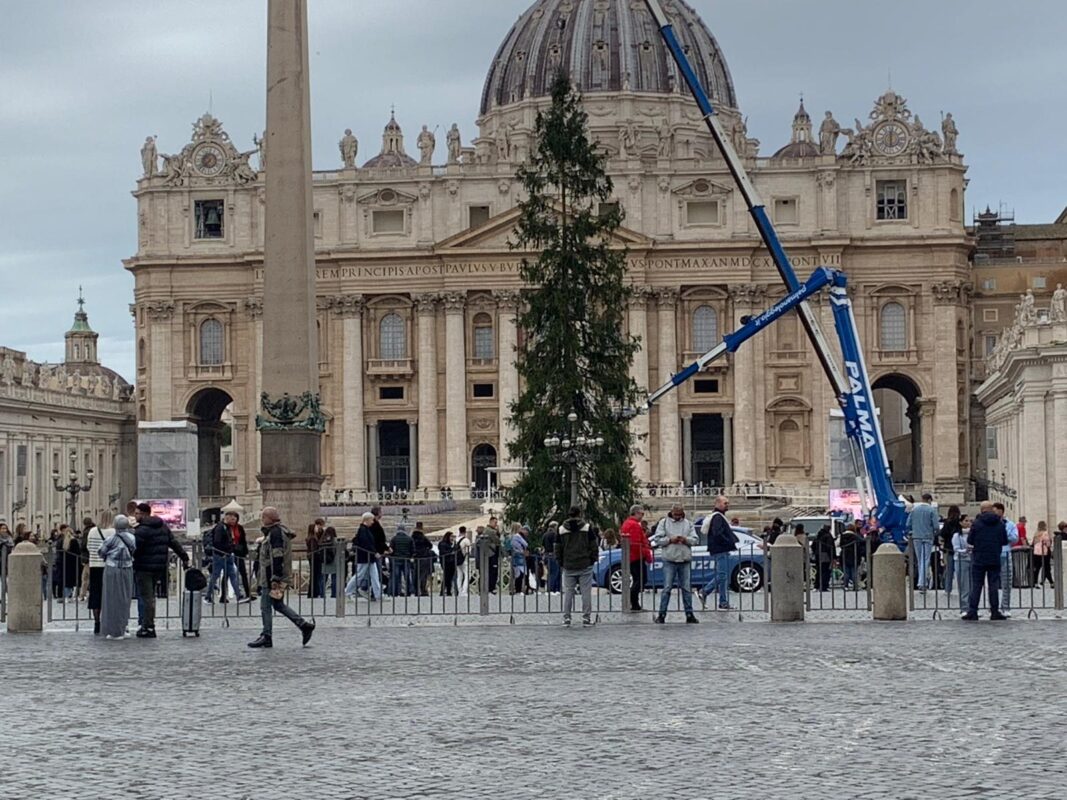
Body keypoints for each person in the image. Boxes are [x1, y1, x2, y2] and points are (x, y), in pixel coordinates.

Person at [248, 507, 315, 648]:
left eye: (263, 517)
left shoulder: (276, 533)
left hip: (272, 577)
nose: (262, 519)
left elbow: (277, 555)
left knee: (265, 606)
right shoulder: (276, 532)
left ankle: (267, 636)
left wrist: (275, 577)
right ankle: (303, 625)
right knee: (278, 604)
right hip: (274, 576)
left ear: (269, 518)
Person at [132, 502, 190, 638]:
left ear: (144, 514)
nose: (135, 516)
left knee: (147, 597)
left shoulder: (141, 530)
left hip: (144, 567)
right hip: (159, 567)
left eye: (137, 513)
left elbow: (134, 548)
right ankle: (148, 624)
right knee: (151, 597)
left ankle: (148, 626)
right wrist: (184, 557)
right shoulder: (163, 527)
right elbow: (174, 543)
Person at [652, 503, 699, 624]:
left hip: (684, 559)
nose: (677, 516)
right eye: (675, 514)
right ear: (671, 512)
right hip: (669, 559)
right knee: (667, 588)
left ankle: (689, 614)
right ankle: (661, 614)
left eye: (679, 514)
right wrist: (669, 540)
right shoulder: (663, 523)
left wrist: (686, 539)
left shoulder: (688, 523)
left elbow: (695, 540)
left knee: (686, 589)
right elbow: (657, 539)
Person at [963, 501, 1008, 621]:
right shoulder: (999, 523)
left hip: (979, 558)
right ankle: (994, 611)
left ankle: (973, 611)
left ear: (981, 509)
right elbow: (1004, 540)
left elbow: (970, 540)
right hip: (994, 557)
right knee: (993, 585)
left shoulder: (977, 523)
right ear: (992, 509)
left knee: (977, 585)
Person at [555, 506, 600, 627]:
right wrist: (592, 559)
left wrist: (560, 562)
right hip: (585, 563)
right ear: (579, 514)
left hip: (568, 564)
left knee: (568, 592)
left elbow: (557, 548)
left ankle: (567, 618)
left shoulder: (561, 529)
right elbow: (593, 545)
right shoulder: (586, 527)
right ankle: (586, 618)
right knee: (586, 592)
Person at [98, 515, 137, 640]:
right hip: (127, 568)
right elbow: (133, 550)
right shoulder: (132, 537)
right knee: (125, 599)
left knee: (110, 599)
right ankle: (123, 626)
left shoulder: (111, 539)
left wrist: (108, 556)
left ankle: (111, 629)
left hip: (112, 568)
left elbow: (101, 551)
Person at [698, 496, 736, 610]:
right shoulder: (718, 518)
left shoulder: (718, 516)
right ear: (718, 504)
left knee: (723, 577)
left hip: (720, 549)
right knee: (722, 575)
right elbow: (717, 533)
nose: (727, 505)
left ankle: (723, 602)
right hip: (720, 549)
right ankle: (704, 591)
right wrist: (728, 541)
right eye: (725, 503)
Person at [205, 511, 244, 604]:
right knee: (215, 576)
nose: (234, 521)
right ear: (227, 517)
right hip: (220, 555)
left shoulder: (226, 527)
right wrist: (226, 550)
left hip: (227, 555)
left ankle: (239, 596)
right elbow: (217, 542)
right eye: (232, 519)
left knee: (232, 575)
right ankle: (208, 596)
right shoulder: (220, 527)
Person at [619, 505, 653, 611]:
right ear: (636, 513)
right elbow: (636, 543)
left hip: (631, 556)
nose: (642, 516)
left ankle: (634, 603)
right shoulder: (634, 525)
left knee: (638, 579)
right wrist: (646, 554)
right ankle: (633, 601)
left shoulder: (627, 523)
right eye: (641, 513)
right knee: (641, 579)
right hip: (636, 556)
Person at [906, 492, 939, 591]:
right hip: (928, 537)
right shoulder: (931, 510)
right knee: (925, 559)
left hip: (916, 537)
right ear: (929, 500)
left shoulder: (914, 510)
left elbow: (908, 523)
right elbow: (936, 526)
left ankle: (921, 582)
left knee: (920, 559)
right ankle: (922, 583)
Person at [345, 513, 381, 600]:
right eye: (372, 520)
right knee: (359, 575)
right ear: (367, 520)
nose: (372, 522)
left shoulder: (365, 529)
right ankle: (347, 592)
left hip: (369, 557)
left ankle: (378, 595)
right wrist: (374, 552)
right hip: (365, 557)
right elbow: (366, 543)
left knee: (375, 576)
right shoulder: (363, 530)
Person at [992, 502, 1019, 616]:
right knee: (992, 583)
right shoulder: (990, 524)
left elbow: (1015, 538)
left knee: (1006, 582)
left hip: (1006, 553)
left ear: (1002, 512)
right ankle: (993, 606)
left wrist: (1003, 536)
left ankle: (1006, 606)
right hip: (993, 555)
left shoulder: (1010, 524)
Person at [85, 513, 110, 634]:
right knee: (109, 594)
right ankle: (108, 621)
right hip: (108, 565)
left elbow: (89, 547)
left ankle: (96, 622)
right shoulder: (113, 532)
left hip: (94, 565)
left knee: (95, 594)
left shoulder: (93, 531)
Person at [937, 506, 963, 596]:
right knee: (961, 571)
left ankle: (948, 590)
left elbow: (942, 534)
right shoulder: (960, 523)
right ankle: (962, 589)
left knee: (949, 571)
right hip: (960, 549)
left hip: (949, 549)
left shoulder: (947, 523)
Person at [231, 512, 254, 600]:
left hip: (239, 553)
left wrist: (245, 552)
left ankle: (248, 593)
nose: (233, 520)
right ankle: (223, 595)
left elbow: (243, 540)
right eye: (232, 518)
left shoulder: (240, 528)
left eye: (235, 518)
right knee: (227, 574)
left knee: (243, 573)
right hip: (230, 553)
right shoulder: (227, 528)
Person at [952, 518, 972, 615]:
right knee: (964, 585)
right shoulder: (957, 535)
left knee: (972, 585)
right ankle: (964, 607)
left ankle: (972, 607)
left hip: (972, 559)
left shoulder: (973, 534)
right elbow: (956, 548)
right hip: (961, 560)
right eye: (966, 520)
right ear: (960, 522)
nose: (968, 523)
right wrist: (964, 551)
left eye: (970, 521)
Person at [388, 523, 415, 597]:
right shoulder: (409, 539)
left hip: (396, 560)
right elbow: (413, 550)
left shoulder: (394, 539)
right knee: (407, 576)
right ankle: (409, 591)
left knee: (396, 576)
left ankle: (396, 592)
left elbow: (391, 550)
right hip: (406, 559)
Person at [412, 526, 435, 596]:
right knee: (423, 575)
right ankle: (423, 590)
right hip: (424, 558)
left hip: (415, 558)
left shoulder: (412, 538)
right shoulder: (423, 537)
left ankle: (416, 590)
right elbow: (430, 545)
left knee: (415, 575)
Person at [813, 524, 836, 592]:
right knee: (826, 571)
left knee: (819, 570)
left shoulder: (818, 535)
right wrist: (833, 556)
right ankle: (824, 586)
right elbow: (830, 547)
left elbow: (813, 545)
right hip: (826, 555)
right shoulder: (828, 536)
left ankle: (817, 585)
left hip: (818, 554)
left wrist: (816, 552)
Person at [306, 519, 325, 599]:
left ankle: (313, 592)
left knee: (314, 575)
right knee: (315, 575)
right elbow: (314, 549)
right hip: (314, 558)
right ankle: (313, 593)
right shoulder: (313, 538)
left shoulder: (312, 537)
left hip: (312, 557)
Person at [1031, 521, 1054, 587]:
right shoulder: (1045, 533)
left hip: (1036, 553)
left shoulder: (1036, 534)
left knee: (1037, 568)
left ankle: (1035, 583)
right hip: (1044, 553)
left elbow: (1033, 543)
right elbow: (1048, 544)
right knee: (1047, 568)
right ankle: (1051, 583)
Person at [839, 523, 861, 590]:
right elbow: (860, 545)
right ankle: (855, 586)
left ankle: (845, 586)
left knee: (846, 572)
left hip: (845, 555)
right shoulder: (856, 536)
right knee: (854, 572)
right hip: (854, 555)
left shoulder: (842, 536)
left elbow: (839, 545)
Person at [319, 525, 340, 598]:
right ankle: (334, 594)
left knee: (323, 578)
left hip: (325, 560)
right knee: (334, 578)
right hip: (334, 561)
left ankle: (322, 594)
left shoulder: (322, 540)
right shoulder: (335, 540)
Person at [542, 521, 562, 595]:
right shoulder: (554, 534)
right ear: (555, 527)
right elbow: (555, 545)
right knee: (554, 573)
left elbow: (543, 546)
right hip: (553, 555)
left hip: (547, 555)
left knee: (550, 572)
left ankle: (552, 589)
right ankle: (552, 589)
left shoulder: (545, 535)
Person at [510, 524, 529, 594]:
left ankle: (519, 589)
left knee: (520, 574)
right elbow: (522, 545)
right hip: (518, 557)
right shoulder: (516, 537)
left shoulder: (516, 536)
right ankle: (518, 589)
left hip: (519, 557)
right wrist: (522, 551)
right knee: (519, 574)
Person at [439, 531, 457, 596]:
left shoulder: (452, 544)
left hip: (452, 562)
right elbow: (443, 552)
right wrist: (450, 552)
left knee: (450, 577)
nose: (452, 538)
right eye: (451, 536)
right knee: (446, 577)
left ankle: (448, 590)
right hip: (446, 562)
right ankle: (443, 591)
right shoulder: (442, 544)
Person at [456, 526, 472, 596]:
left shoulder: (456, 540)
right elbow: (469, 551)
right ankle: (464, 591)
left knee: (459, 575)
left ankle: (459, 591)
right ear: (465, 532)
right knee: (467, 575)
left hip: (457, 559)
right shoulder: (466, 540)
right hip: (464, 559)